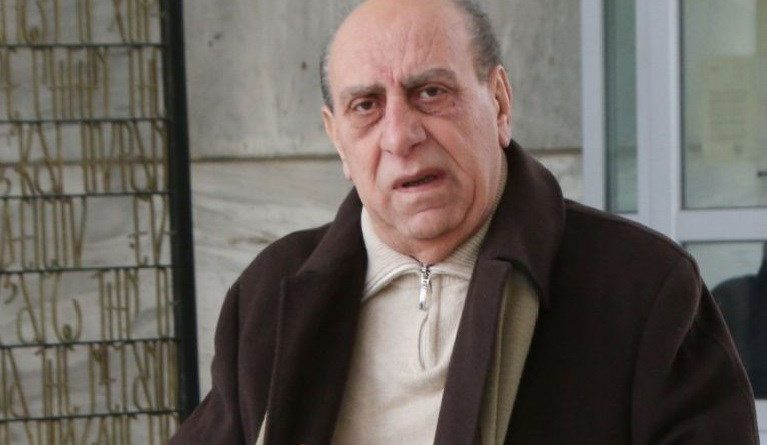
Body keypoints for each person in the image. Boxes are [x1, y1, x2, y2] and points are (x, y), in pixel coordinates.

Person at [171, 0, 758, 443]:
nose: (400, 136)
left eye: (430, 92)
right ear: (337, 138)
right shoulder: (272, 291)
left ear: (499, 102)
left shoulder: (642, 286)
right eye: (366, 106)